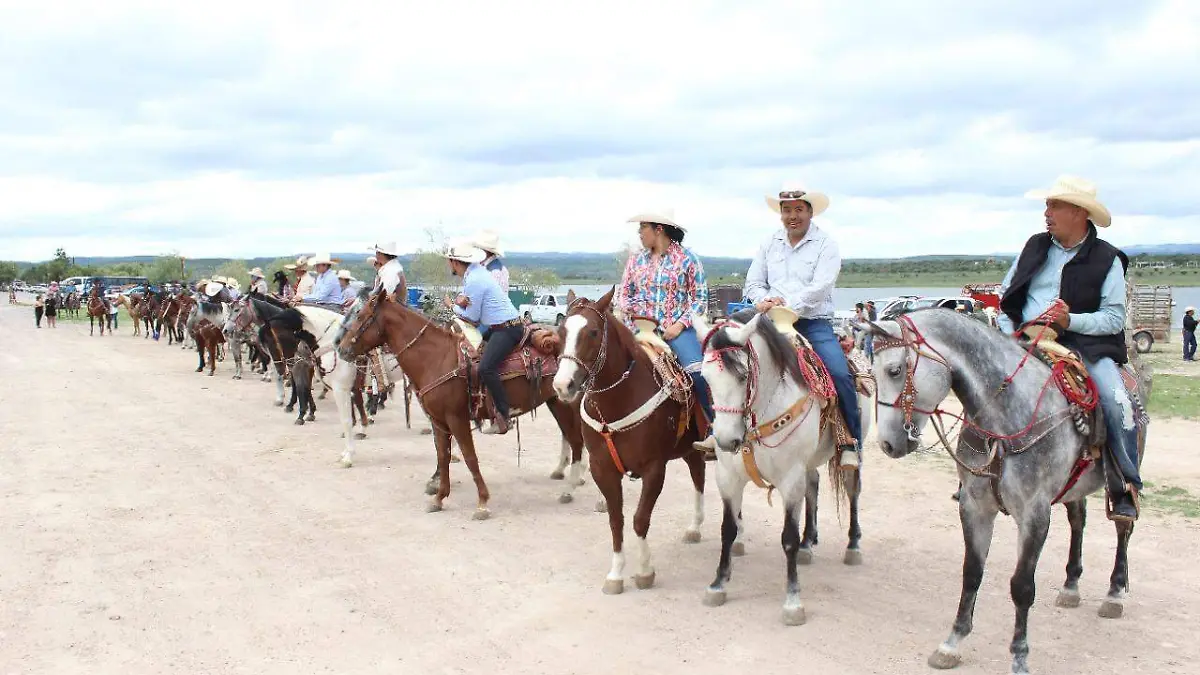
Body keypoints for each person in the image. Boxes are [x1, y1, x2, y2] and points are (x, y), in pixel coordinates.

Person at [997, 175, 1140, 521]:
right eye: (1047, 205)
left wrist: (1069, 320)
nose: (1046, 213)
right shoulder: (1034, 247)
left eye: (1054, 206)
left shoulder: (1108, 259)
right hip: (1025, 340)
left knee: (1116, 401)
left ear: (1078, 212)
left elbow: (1113, 319)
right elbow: (1006, 297)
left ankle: (1123, 484)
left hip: (1084, 348)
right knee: (986, 385)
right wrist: (1007, 336)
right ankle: (976, 472)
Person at [737, 185, 862, 470]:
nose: (792, 216)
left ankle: (849, 442)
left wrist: (787, 305)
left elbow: (821, 287)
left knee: (839, 373)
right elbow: (753, 282)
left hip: (811, 322)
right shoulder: (769, 243)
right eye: (787, 210)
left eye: (798, 210)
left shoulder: (825, 244)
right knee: (732, 362)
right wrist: (764, 300)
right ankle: (726, 430)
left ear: (810, 212)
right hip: (770, 321)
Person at [612, 209, 716, 452]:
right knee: (607, 362)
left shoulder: (688, 260)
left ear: (659, 229)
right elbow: (623, 295)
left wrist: (679, 324)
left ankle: (714, 429)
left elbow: (699, 299)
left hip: (677, 331)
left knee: (699, 373)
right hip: (638, 329)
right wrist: (637, 315)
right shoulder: (636, 260)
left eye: (643, 228)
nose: (639, 233)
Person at [445, 242, 523, 435]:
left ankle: (504, 413)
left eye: (449, 261)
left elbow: (472, 317)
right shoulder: (475, 272)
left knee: (486, 368)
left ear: (454, 262)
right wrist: (461, 303)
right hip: (499, 325)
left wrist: (452, 306)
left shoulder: (474, 279)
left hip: (506, 329)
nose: (448, 264)